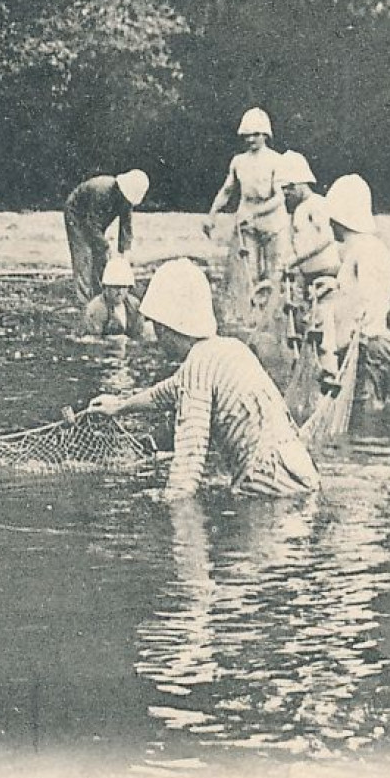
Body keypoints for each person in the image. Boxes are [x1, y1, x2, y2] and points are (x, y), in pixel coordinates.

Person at [88, 258, 318, 500]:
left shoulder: (198, 366)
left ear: (166, 327)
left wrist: (171, 499)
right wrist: (119, 406)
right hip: (299, 474)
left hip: (268, 488)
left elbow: (189, 460)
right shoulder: (229, 349)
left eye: (156, 325)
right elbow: (166, 392)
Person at [318, 174, 390, 411]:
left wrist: (334, 352)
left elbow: (365, 302)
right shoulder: (363, 249)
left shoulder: (366, 251)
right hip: (366, 347)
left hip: (368, 349)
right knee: (360, 415)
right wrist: (335, 287)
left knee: (365, 415)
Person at [204, 108, 290, 289]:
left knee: (274, 273)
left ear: (265, 135)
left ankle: (272, 312)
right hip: (247, 224)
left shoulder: (276, 160)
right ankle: (249, 312)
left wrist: (255, 213)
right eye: (247, 135)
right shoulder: (239, 161)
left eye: (256, 134)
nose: (251, 139)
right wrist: (212, 214)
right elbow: (227, 190)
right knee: (247, 272)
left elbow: (280, 197)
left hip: (272, 223)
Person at [277, 150, 339, 351]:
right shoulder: (298, 210)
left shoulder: (316, 204)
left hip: (325, 274)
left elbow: (326, 237)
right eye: (283, 189)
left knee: (324, 328)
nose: (286, 193)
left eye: (289, 188)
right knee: (309, 326)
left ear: (301, 184)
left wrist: (296, 259)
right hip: (308, 277)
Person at [63, 169, 150, 304]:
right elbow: (91, 224)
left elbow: (126, 227)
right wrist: (105, 246)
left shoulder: (125, 201)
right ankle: (84, 300)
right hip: (77, 214)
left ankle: (100, 291)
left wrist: (124, 253)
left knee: (100, 255)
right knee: (84, 254)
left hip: (94, 219)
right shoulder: (102, 191)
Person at [83, 255, 145, 339]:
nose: (120, 292)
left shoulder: (134, 305)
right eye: (115, 287)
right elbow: (94, 338)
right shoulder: (96, 308)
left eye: (124, 287)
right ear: (105, 287)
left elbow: (139, 333)